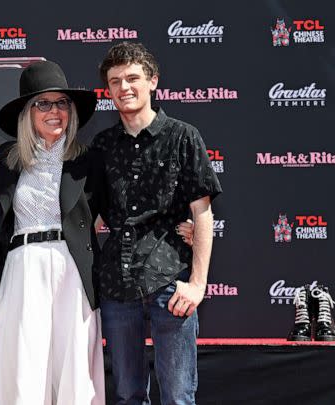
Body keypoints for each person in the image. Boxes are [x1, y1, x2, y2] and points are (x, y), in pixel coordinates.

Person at [92, 42, 222, 405]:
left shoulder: (183, 136)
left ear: (153, 82)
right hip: (117, 286)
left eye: (132, 78)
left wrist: (197, 284)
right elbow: (92, 214)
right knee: (128, 395)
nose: (124, 88)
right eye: (115, 81)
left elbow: (203, 214)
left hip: (171, 283)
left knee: (179, 397)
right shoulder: (102, 146)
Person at [0, 60, 106, 405]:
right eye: (43, 103)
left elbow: (122, 209)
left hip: (73, 268)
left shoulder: (90, 159)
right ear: (27, 112)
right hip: (22, 267)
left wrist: (178, 223)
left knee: (76, 367)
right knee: (24, 365)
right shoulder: (5, 160)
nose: (54, 111)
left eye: (61, 103)